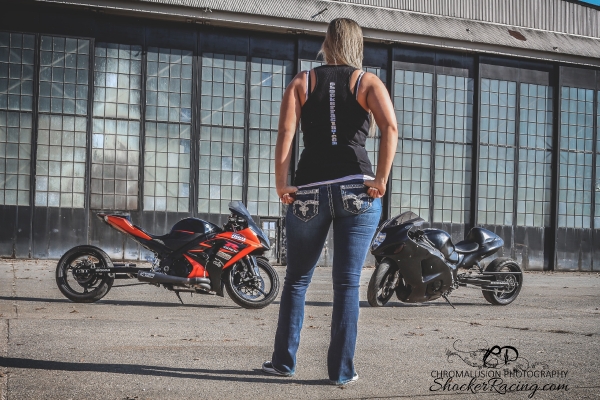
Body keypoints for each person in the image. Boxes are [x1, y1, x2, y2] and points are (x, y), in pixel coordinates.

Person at [262, 18, 398, 386]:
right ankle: (341, 372)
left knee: (296, 281)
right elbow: (391, 129)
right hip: (358, 189)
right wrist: (381, 179)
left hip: (308, 190)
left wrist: (283, 184)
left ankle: (283, 363)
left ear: (326, 42)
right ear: (357, 44)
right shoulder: (366, 81)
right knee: (346, 284)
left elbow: (286, 133)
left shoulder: (302, 82)